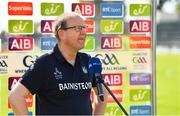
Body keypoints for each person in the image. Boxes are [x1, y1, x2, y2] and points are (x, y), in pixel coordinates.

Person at [8, 12, 108, 115]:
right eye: (78, 28)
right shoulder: (44, 63)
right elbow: (16, 96)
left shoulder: (88, 61)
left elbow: (102, 93)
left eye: (84, 27)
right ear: (61, 34)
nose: (83, 32)